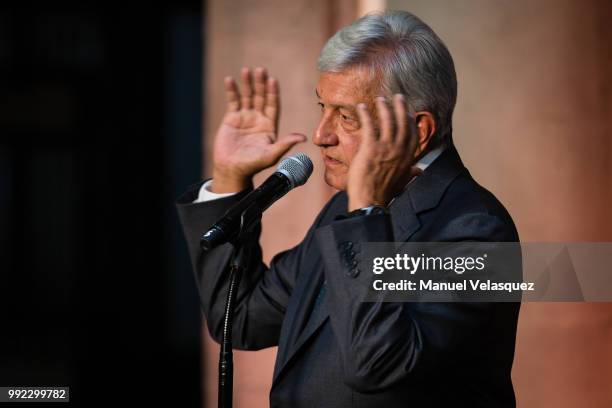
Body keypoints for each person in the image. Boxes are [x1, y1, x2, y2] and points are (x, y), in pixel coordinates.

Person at [177, 10, 520, 408]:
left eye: (345, 116)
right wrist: (228, 178)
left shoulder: (477, 230)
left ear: (417, 130)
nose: (321, 136)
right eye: (322, 107)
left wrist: (364, 216)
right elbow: (241, 318)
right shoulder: (346, 211)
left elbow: (379, 365)